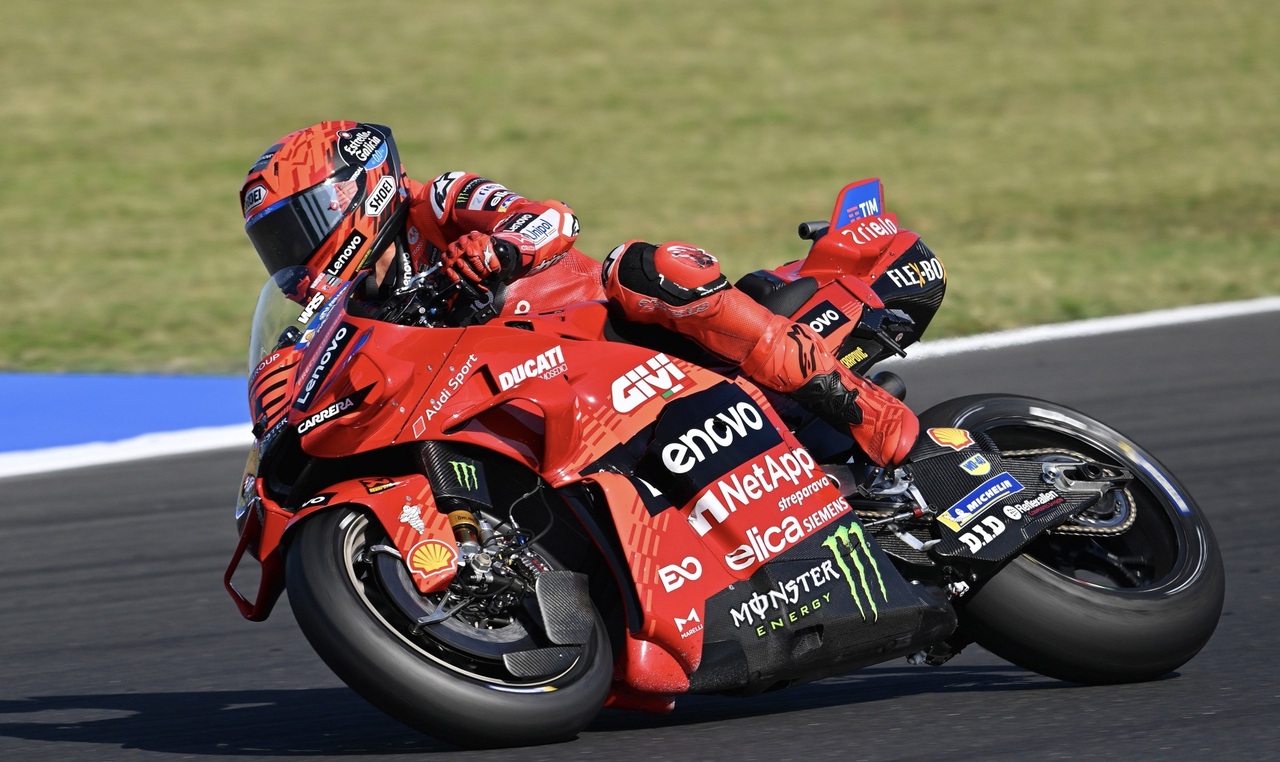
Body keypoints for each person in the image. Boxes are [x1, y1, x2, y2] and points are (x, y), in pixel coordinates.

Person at [239, 121, 917, 467]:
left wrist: (501, 249)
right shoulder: (352, 304)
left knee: (651, 267)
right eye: (274, 245)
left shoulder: (438, 201)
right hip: (531, 399)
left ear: (357, 190)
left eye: (295, 230)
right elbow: (311, 364)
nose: (292, 258)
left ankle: (878, 423)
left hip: (600, 329)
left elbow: (553, 217)